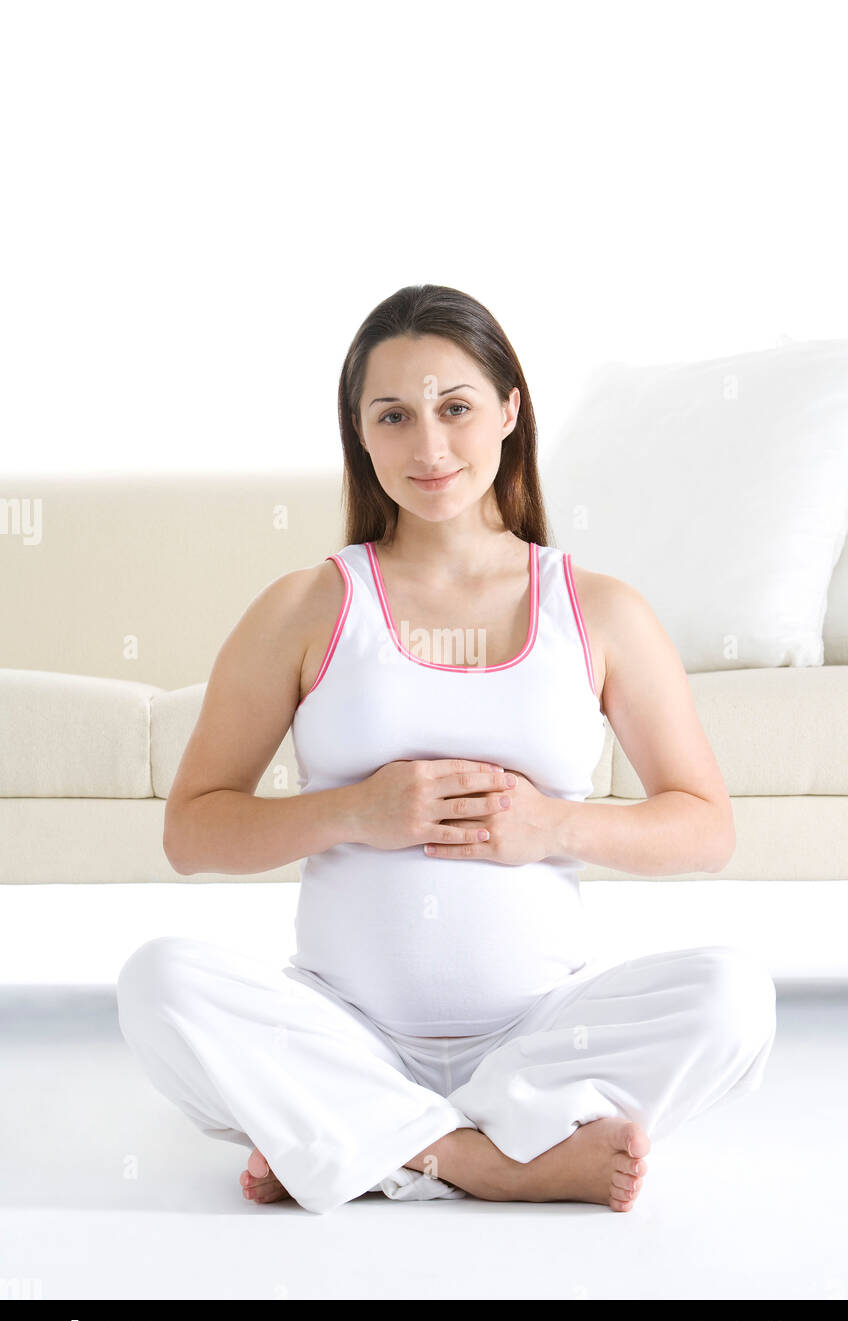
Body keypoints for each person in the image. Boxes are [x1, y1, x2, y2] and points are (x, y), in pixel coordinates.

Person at [115, 284, 776, 1216]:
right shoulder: (306, 607)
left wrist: (552, 827)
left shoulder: (601, 609)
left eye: (456, 408)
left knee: (735, 997)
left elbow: (705, 829)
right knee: (160, 982)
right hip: (343, 1026)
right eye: (394, 416)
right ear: (361, 434)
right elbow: (194, 832)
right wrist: (353, 812)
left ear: (509, 410)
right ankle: (494, 1161)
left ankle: (362, 1141)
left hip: (540, 1036)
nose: (429, 447)